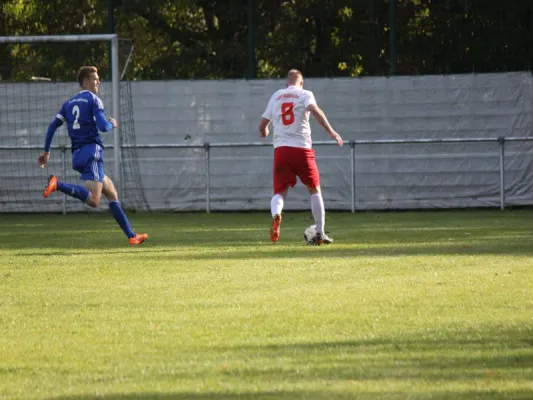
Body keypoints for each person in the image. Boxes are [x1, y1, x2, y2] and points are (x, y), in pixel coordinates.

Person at [37, 66, 148, 245]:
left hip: (79, 155)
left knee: (112, 192)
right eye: (95, 79)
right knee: (94, 201)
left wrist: (46, 151)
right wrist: (113, 124)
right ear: (86, 81)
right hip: (92, 152)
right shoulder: (94, 100)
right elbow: (103, 126)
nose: (98, 82)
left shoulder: (69, 103)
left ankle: (132, 236)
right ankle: (58, 184)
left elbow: (52, 126)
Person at [259, 69, 343, 245]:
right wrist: (332, 132)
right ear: (301, 83)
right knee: (314, 190)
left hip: (281, 151)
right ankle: (319, 233)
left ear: (286, 83)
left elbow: (263, 125)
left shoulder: (277, 96)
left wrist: (265, 132)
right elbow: (316, 111)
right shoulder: (305, 94)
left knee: (280, 192)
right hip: (302, 149)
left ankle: (276, 215)